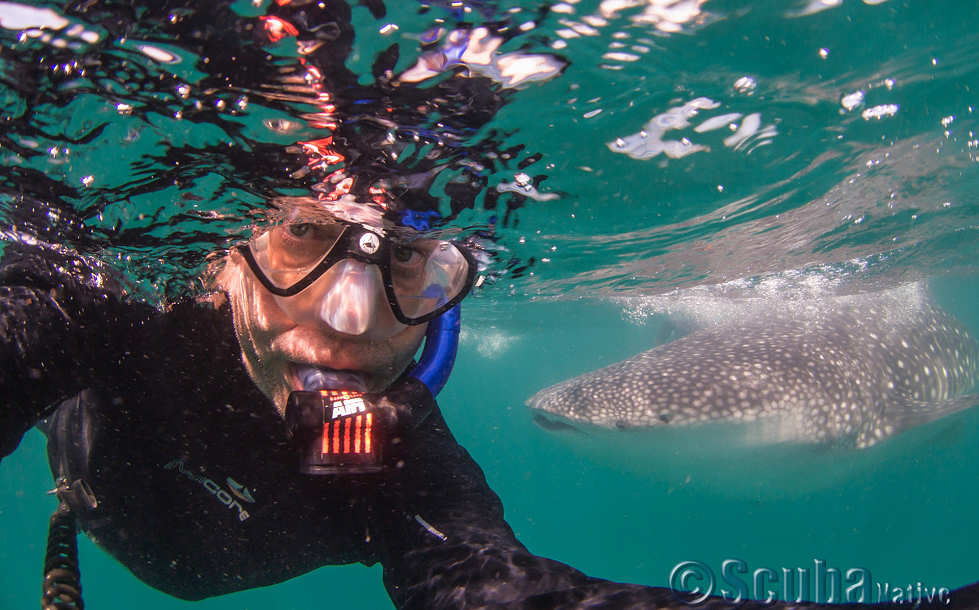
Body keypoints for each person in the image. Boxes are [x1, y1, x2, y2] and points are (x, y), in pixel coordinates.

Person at [2, 2, 979, 609]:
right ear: (223, 253)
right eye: (305, 237)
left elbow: (509, 601)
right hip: (97, 508)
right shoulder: (99, 316)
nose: (348, 316)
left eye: (409, 268)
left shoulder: (394, 454)